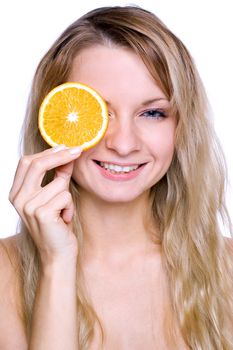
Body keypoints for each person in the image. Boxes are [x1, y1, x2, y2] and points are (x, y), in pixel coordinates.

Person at [0, 5, 232, 349]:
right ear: (57, 120)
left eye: (152, 113)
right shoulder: (6, 274)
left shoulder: (227, 269)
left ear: (182, 125)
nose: (123, 144)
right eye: (99, 113)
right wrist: (57, 264)